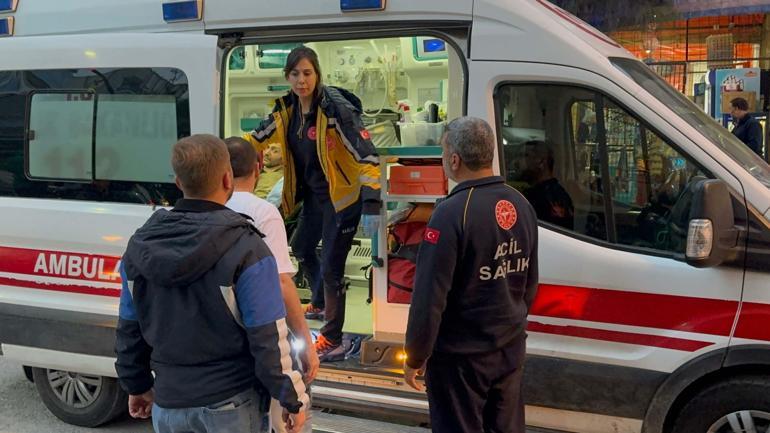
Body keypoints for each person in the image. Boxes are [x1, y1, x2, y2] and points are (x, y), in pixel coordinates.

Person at [115, 134, 309, 433]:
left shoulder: (139, 247)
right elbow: (268, 337)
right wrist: (291, 399)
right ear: (228, 179)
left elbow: (129, 327)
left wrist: (136, 384)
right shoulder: (248, 248)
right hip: (230, 405)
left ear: (179, 183)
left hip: (167, 406)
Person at [242, 46, 381, 362]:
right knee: (302, 248)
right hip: (315, 197)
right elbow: (254, 139)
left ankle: (332, 338)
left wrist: (372, 200)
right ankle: (318, 301)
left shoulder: (335, 110)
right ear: (287, 77)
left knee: (332, 266)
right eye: (295, 74)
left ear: (317, 74)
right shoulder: (285, 111)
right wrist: (224, 159)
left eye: (307, 73)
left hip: (342, 198)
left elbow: (367, 155)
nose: (301, 80)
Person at [403, 117, 539, 433]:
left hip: (461, 360)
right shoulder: (521, 204)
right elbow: (529, 284)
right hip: (509, 349)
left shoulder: (451, 213)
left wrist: (415, 355)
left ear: (454, 159)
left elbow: (429, 297)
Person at [224, 136, 318, 433]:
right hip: (263, 333)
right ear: (259, 166)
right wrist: (306, 343)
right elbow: (280, 281)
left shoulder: (205, 209)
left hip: (221, 341)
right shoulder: (263, 212)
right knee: (284, 418)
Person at [517, 140, 574, 230]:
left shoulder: (546, 197)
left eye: (526, 156)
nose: (518, 162)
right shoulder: (557, 192)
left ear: (541, 162)